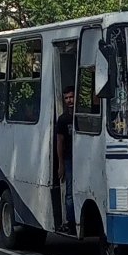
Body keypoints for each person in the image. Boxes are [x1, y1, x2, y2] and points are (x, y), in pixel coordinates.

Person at [56, 85, 75, 235]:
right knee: (69, 192)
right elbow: (60, 142)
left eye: (72, 97)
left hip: (84, 160)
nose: (69, 100)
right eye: (67, 98)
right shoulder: (63, 119)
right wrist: (61, 164)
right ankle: (71, 222)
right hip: (69, 159)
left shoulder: (83, 115)